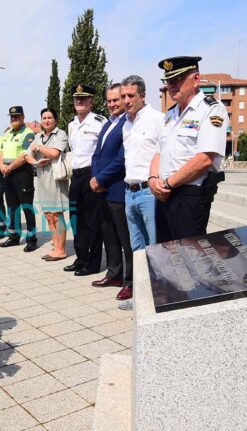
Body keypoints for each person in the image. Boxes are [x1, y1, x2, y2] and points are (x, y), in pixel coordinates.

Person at [149, 56, 228, 242]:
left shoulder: (211, 109)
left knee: (191, 260)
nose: (172, 85)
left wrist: (168, 183)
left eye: (177, 79)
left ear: (196, 79)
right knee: (166, 255)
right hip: (164, 194)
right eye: (169, 81)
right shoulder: (170, 114)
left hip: (189, 196)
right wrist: (153, 179)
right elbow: (158, 153)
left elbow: (205, 158)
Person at [120, 75, 164, 310]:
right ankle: (141, 297)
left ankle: (159, 297)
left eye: (131, 96)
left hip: (149, 193)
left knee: (155, 247)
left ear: (142, 96)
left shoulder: (158, 119)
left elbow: (164, 154)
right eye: (123, 96)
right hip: (130, 192)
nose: (126, 100)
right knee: (137, 249)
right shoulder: (126, 123)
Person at [90, 83, 133, 301]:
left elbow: (121, 159)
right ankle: (114, 273)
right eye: (109, 101)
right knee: (109, 235)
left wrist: (101, 178)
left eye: (115, 100)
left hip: (117, 188)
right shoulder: (108, 124)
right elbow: (96, 154)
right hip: (102, 189)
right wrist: (95, 177)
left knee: (125, 238)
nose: (112, 104)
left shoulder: (128, 123)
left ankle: (129, 281)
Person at [64, 84, 107, 276]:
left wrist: (99, 177)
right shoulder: (72, 124)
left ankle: (93, 262)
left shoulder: (100, 122)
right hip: (76, 176)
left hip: (92, 175)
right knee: (76, 219)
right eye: (76, 99)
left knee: (93, 221)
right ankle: (81, 257)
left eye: (83, 98)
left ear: (91, 101)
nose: (79, 102)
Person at [22, 108, 69, 260]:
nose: (47, 120)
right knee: (48, 215)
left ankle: (61, 250)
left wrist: (39, 148)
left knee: (56, 214)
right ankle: (55, 247)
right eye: (44, 118)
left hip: (55, 178)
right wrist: (35, 161)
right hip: (42, 178)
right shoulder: (38, 136)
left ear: (56, 120)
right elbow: (26, 154)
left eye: (50, 117)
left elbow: (54, 153)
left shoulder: (60, 134)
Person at [0, 106, 37, 252]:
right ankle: (14, 237)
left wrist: (9, 167)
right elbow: (1, 151)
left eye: (17, 116)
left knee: (27, 207)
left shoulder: (28, 133)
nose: (14, 118)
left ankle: (32, 239)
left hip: (22, 174)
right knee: (12, 207)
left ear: (23, 117)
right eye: (12, 116)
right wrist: (2, 165)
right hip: (7, 174)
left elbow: (25, 155)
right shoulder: (7, 133)